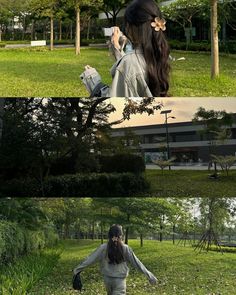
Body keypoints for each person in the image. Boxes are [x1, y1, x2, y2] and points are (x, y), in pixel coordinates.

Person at [80, 0, 170, 98]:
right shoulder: (158, 55)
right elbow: (133, 79)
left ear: (131, 27)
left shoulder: (129, 63)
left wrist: (92, 79)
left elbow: (113, 103)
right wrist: (116, 47)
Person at [73, 224, 157, 295]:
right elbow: (137, 263)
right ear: (121, 235)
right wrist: (150, 276)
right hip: (120, 281)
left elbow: (90, 259)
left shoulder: (103, 248)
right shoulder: (125, 248)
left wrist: (77, 270)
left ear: (109, 235)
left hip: (107, 280)